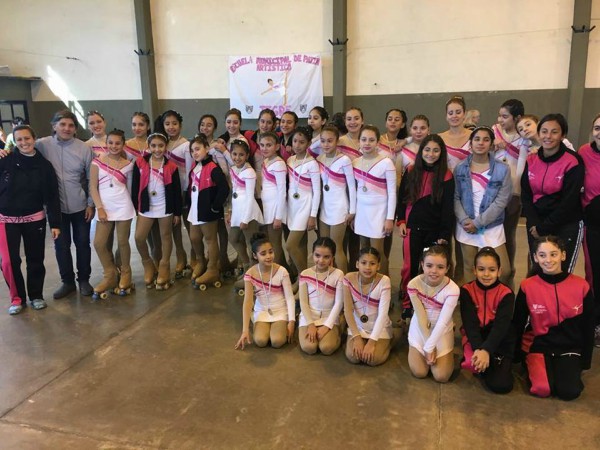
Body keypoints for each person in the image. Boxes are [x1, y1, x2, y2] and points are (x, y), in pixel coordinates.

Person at [513, 236, 594, 400]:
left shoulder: (581, 286)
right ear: (535, 258)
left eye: (553, 254)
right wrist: (515, 356)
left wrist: (585, 361)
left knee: (568, 392)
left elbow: (588, 326)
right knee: (542, 389)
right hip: (539, 346)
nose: (548, 260)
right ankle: (533, 366)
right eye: (542, 255)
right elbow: (518, 323)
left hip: (569, 348)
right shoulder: (527, 286)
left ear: (563, 255)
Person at [0, 125, 61, 315]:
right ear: (14, 142)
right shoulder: (5, 160)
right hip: (6, 220)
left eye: (27, 138)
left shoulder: (45, 166)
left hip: (35, 219)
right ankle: (17, 298)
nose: (23, 142)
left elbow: (52, 196)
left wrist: (55, 223)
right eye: (19, 139)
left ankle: (36, 296)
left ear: (34, 139)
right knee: (9, 262)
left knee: (35, 259)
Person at [36, 109, 95, 298]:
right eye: (62, 124)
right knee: (61, 246)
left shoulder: (84, 149)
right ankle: (67, 282)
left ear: (76, 129)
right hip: (56, 209)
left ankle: (84, 280)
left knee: (83, 244)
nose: (66, 128)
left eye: (71, 125)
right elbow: (22, 150)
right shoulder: (42, 145)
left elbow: (91, 178)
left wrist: (90, 204)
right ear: (54, 126)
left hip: (80, 207)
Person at [396, 134, 454, 318]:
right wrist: (401, 221)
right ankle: (408, 303)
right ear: (421, 151)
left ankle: (430, 301)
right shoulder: (411, 170)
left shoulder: (446, 175)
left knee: (431, 268)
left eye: (436, 150)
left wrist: (444, 234)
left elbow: (448, 208)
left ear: (441, 153)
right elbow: (402, 198)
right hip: (412, 229)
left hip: (434, 231)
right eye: (427, 149)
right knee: (410, 267)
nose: (431, 154)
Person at [521, 113, 584, 274]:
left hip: (565, 224)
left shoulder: (573, 161)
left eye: (554, 132)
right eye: (544, 131)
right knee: (538, 271)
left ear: (563, 135)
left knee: (560, 273)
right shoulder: (531, 159)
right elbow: (526, 195)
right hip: (536, 225)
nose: (548, 136)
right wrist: (534, 223)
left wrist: (544, 227)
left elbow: (569, 201)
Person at [454, 126, 512, 286]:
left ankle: (493, 298)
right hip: (466, 225)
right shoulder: (460, 168)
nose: (481, 143)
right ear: (470, 143)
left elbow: (502, 200)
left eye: (486, 140)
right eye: (477, 139)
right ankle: (473, 300)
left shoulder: (502, 169)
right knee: (470, 269)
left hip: (492, 225)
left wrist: (478, 223)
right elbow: (456, 197)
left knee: (504, 270)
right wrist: (465, 220)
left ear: (491, 144)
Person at [460, 247, 516, 394]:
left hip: (499, 340)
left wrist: (487, 350)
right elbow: (470, 324)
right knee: (471, 364)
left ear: (499, 271)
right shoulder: (466, 290)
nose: (486, 274)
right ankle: (482, 363)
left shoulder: (506, 293)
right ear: (474, 270)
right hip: (476, 338)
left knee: (502, 386)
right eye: (481, 269)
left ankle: (494, 363)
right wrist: (479, 349)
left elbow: (501, 327)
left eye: (492, 270)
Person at [89, 129, 136, 299]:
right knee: (99, 243)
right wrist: (99, 207)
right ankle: (110, 274)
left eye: (117, 143)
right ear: (106, 143)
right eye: (110, 142)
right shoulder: (96, 162)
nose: (114, 146)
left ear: (123, 145)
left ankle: (126, 273)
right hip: (104, 208)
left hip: (124, 206)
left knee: (123, 242)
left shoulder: (129, 164)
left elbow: (130, 189)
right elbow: (92, 187)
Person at [132, 133, 182, 290]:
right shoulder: (140, 162)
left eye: (161, 146)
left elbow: (176, 191)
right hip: (146, 207)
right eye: (153, 146)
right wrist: (135, 206)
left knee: (165, 237)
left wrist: (177, 213)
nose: (157, 149)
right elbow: (135, 186)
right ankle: (148, 264)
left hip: (165, 206)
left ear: (165, 147)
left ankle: (164, 265)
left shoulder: (171, 166)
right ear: (149, 146)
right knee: (139, 237)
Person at [407, 245, 459, 383]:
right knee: (420, 372)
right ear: (422, 264)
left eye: (440, 267)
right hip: (420, 327)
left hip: (442, 329)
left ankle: (448, 350)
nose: (434, 271)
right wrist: (427, 345)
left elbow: (442, 321)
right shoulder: (413, 284)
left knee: (441, 376)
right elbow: (421, 316)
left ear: (447, 268)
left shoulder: (453, 289)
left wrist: (430, 346)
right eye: (429, 266)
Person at [235, 233, 295, 350]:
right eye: (263, 254)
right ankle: (255, 318)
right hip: (262, 311)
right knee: (260, 341)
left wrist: (291, 321)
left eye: (270, 252)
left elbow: (289, 297)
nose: (268, 256)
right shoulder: (250, 274)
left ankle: (287, 321)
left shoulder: (282, 271)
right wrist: (245, 330)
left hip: (280, 311)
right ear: (255, 256)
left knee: (277, 341)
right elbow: (248, 302)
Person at [492, 100, 527, 289]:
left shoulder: (524, 138)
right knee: (491, 234)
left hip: (513, 193)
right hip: (492, 192)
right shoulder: (494, 131)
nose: (500, 119)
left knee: (507, 234)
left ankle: (508, 274)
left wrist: (516, 194)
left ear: (517, 118)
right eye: (500, 115)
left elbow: (520, 168)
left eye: (505, 116)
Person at [187, 134, 230, 288]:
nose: (195, 153)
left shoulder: (213, 168)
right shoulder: (194, 168)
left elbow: (224, 189)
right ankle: (201, 262)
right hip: (195, 209)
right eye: (192, 150)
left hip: (208, 210)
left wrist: (215, 206)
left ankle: (212, 269)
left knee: (210, 239)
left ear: (206, 148)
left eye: (198, 149)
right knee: (194, 238)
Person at [352, 125, 396, 276]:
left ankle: (384, 283)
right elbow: (355, 190)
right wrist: (354, 213)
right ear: (359, 141)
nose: (367, 143)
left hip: (379, 212)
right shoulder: (355, 162)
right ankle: (367, 282)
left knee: (378, 252)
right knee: (364, 249)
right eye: (364, 139)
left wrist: (389, 218)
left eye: (371, 140)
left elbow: (392, 193)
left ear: (378, 142)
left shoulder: (386, 163)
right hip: (362, 212)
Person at [198, 113, 236, 276]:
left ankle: (223, 258)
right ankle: (208, 258)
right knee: (206, 229)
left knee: (221, 227)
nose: (205, 128)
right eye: (203, 124)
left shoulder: (218, 146)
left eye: (209, 125)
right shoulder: (196, 145)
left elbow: (227, 168)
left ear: (214, 128)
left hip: (219, 191)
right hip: (203, 193)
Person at [157, 110, 193, 279]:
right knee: (174, 226)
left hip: (184, 190)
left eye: (174, 123)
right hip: (168, 191)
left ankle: (195, 257)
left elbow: (189, 170)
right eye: (167, 124)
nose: (171, 127)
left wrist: (185, 192)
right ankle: (180, 256)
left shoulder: (186, 145)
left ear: (180, 125)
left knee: (190, 225)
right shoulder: (162, 144)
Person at [343, 247, 393, 366]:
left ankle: (391, 339)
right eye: (363, 263)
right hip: (358, 326)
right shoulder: (348, 278)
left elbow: (383, 314)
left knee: (373, 360)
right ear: (357, 264)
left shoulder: (384, 281)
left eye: (372, 263)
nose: (367, 267)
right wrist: (357, 337)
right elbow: (348, 310)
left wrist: (372, 342)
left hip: (378, 327)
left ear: (378, 266)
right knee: (353, 357)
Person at [317, 125, 356, 273]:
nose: (326, 144)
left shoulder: (344, 160)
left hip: (339, 207)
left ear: (337, 141)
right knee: (324, 247)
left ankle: (344, 280)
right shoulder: (319, 159)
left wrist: (352, 210)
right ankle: (329, 278)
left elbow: (351, 187)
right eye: (323, 141)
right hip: (325, 208)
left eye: (330, 141)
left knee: (337, 247)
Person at [227, 139, 263, 290]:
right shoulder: (233, 169)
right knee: (233, 238)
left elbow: (250, 196)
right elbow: (234, 192)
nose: (237, 157)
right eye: (234, 154)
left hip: (249, 213)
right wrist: (230, 211)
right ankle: (248, 266)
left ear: (247, 156)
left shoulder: (249, 172)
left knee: (251, 244)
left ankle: (255, 275)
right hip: (237, 211)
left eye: (241, 155)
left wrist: (246, 218)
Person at [285, 127, 320, 282]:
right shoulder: (290, 160)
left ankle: (303, 277)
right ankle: (303, 284)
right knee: (300, 245)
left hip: (305, 206)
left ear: (309, 143)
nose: (297, 145)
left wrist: (313, 215)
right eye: (295, 141)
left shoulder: (312, 164)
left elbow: (317, 191)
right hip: (292, 206)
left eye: (302, 142)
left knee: (290, 245)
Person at [298, 237, 344, 355]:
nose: (321, 260)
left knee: (326, 348)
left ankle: (340, 328)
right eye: (317, 255)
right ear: (312, 254)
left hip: (329, 315)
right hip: (309, 315)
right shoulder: (305, 274)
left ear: (332, 258)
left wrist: (327, 326)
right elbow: (303, 302)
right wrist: (310, 324)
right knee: (309, 348)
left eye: (326, 257)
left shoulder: (338, 274)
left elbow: (339, 303)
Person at [578, 113, 600, 346]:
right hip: (593, 225)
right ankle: (594, 322)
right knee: (594, 274)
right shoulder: (584, 152)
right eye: (597, 128)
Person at [260, 131, 287, 268]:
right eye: (262, 145)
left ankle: (278, 272)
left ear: (277, 146)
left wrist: (278, 216)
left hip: (275, 209)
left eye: (268, 145)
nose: (264, 148)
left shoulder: (279, 164)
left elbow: (282, 192)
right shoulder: (266, 161)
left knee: (275, 244)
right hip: (267, 207)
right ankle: (284, 269)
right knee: (270, 242)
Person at [439, 95, 471, 172]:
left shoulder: (474, 136)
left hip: (470, 178)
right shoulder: (439, 138)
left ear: (465, 114)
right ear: (446, 116)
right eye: (450, 113)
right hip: (446, 178)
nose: (454, 116)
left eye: (458, 112)